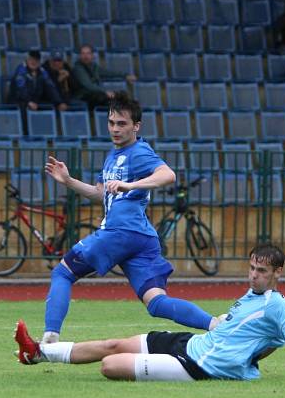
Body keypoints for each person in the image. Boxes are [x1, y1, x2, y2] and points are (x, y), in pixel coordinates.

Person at [36, 92, 221, 346]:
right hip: (141, 238)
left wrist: (129, 185)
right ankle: (217, 325)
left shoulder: (139, 152)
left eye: (122, 124)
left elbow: (168, 175)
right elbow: (102, 194)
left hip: (121, 232)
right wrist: (69, 181)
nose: (115, 129)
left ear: (136, 126)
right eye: (111, 123)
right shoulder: (113, 155)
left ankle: (49, 340)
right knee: (156, 302)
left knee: (63, 273)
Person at [15, 244, 285, 384]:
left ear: (277, 273)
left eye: (261, 271)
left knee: (110, 366)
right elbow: (263, 340)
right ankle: (38, 352)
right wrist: (252, 355)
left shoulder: (277, 304)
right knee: (113, 344)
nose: (253, 275)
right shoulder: (251, 295)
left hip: (198, 366)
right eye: (252, 268)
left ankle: (42, 352)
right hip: (192, 343)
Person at [7, 50, 68, 132]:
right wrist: (28, 101)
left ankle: (46, 134)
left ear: (39, 61)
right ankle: (26, 136)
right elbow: (21, 90)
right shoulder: (21, 70)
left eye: (36, 60)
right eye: (31, 59)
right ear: (27, 60)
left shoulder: (42, 71)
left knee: (52, 107)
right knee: (24, 109)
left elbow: (50, 87)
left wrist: (59, 102)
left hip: (34, 101)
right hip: (18, 100)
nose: (33, 62)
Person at [70, 44, 136, 111]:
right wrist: (105, 92)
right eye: (83, 53)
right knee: (109, 100)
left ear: (92, 55)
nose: (85, 56)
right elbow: (88, 85)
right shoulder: (78, 69)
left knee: (121, 96)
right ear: (80, 56)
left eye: (88, 53)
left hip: (95, 94)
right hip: (83, 96)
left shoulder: (94, 67)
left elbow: (109, 73)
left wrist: (125, 75)